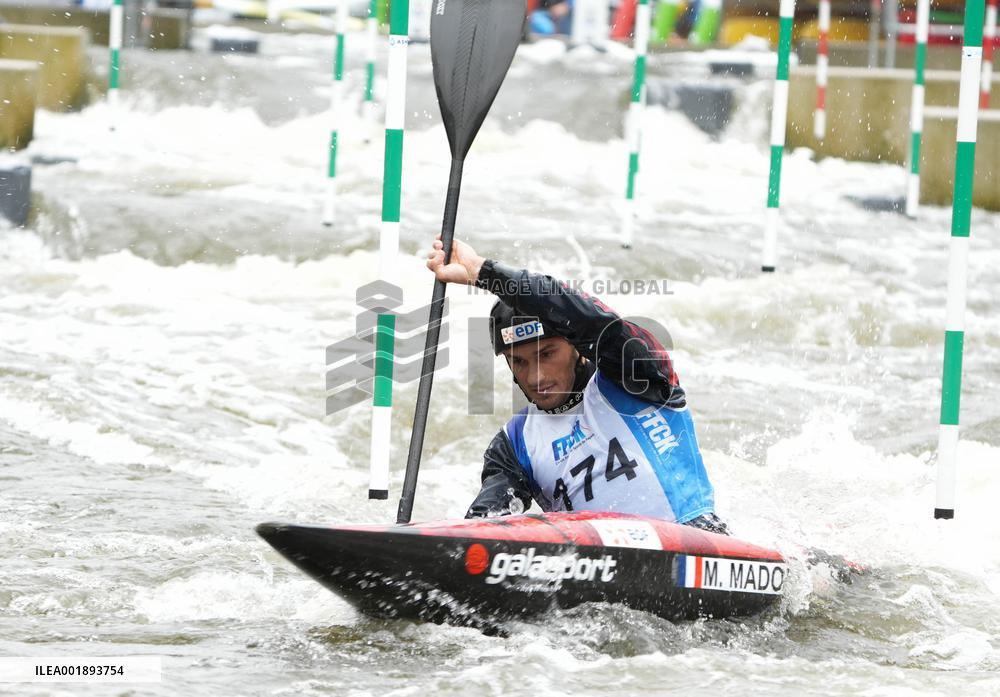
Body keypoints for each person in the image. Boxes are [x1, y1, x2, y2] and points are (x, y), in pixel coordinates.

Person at [426, 236, 729, 535]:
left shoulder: (633, 372)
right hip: (597, 572)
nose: (535, 377)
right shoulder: (514, 445)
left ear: (576, 346)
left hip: (694, 540)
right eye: (519, 362)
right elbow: (484, 528)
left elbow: (591, 320)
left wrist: (483, 271)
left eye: (547, 354)